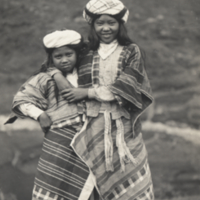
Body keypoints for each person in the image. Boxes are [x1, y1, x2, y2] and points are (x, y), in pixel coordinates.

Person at [50, 0, 155, 199]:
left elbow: (127, 85)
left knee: (131, 179)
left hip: (123, 127)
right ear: (92, 25)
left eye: (111, 23)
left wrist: (87, 93)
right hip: (90, 126)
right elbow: (54, 62)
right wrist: (56, 75)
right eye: (100, 23)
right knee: (91, 183)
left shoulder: (131, 51)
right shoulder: (84, 51)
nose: (105, 28)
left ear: (120, 25)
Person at [6, 30, 97, 200]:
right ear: (51, 59)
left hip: (90, 140)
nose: (64, 60)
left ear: (77, 53)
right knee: (55, 187)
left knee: (91, 186)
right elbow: (21, 100)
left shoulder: (89, 74)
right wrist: (40, 115)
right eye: (58, 56)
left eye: (69, 54)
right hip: (59, 142)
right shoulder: (44, 78)